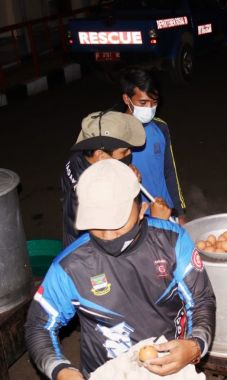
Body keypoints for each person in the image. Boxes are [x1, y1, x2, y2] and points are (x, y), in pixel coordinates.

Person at [26, 159, 216, 380]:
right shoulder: (71, 266)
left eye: (117, 223)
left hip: (169, 369)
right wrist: (60, 370)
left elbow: (201, 299)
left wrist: (195, 346)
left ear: (141, 208)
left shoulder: (172, 242)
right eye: (98, 224)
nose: (108, 235)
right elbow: (38, 326)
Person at [61, 111, 171, 248]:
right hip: (92, 261)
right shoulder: (95, 197)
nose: (130, 154)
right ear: (101, 155)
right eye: (124, 152)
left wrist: (120, 171)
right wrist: (158, 223)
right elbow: (119, 246)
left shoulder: (79, 159)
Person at [121, 67, 187, 224]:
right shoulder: (115, 134)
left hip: (165, 211)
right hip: (136, 217)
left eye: (154, 103)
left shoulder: (161, 128)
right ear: (126, 99)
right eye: (142, 102)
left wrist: (179, 211)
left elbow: (170, 171)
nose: (149, 108)